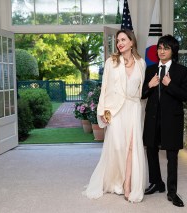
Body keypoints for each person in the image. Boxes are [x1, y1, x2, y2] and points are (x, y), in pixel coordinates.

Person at [83, 29, 147, 203]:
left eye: (123, 39)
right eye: (118, 40)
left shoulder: (141, 63)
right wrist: (102, 111)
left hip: (133, 108)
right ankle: (115, 180)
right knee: (118, 146)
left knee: (132, 147)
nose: (119, 43)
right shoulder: (112, 62)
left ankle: (127, 184)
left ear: (131, 42)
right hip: (116, 110)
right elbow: (104, 89)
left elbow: (142, 90)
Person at [141, 34, 187, 207]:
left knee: (172, 156)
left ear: (173, 51)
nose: (161, 51)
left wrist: (170, 84)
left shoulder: (182, 71)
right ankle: (156, 183)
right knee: (151, 150)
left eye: (166, 48)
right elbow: (142, 95)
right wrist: (150, 85)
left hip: (172, 120)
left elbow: (185, 96)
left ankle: (172, 192)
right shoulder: (150, 69)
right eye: (160, 48)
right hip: (152, 118)